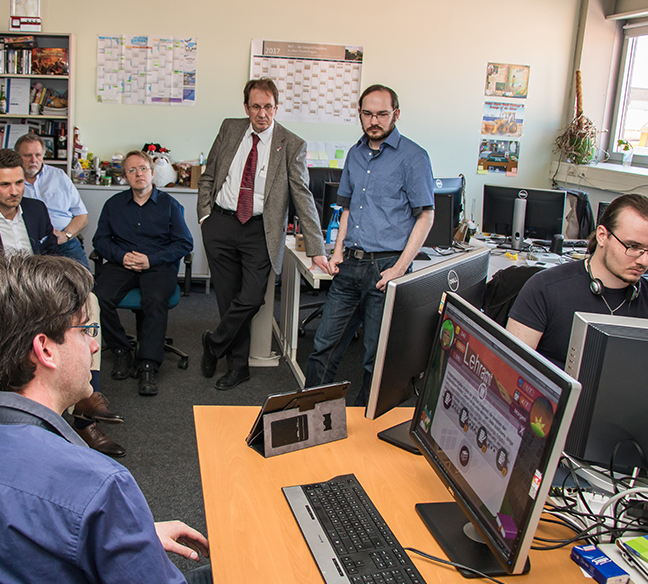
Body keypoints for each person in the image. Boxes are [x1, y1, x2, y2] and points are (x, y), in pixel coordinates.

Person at [0, 252, 214, 584]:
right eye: (86, 330)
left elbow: (7, 543)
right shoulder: (98, 485)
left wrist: (123, 539)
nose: (95, 345)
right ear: (45, 350)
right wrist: (112, 526)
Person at [0, 149, 126, 457]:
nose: (14, 191)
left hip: (42, 290)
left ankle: (87, 397)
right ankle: (73, 420)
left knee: (90, 301)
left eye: (19, 183)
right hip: (3, 299)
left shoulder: (35, 210)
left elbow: (53, 258)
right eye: (5, 185)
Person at [304, 84, 435, 406]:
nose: (374, 120)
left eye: (382, 114)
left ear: (396, 114)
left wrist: (399, 269)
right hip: (350, 265)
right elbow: (347, 208)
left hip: (386, 267)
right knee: (324, 346)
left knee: (375, 357)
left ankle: (363, 427)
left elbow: (426, 217)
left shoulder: (414, 157)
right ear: (360, 114)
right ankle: (306, 413)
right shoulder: (355, 154)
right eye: (367, 113)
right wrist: (336, 252)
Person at [198, 77, 328, 391]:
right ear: (246, 107)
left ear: (276, 107)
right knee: (229, 299)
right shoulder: (230, 128)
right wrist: (205, 215)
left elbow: (302, 196)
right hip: (221, 223)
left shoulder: (291, 144)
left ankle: (214, 343)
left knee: (251, 298)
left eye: (268, 106)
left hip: (259, 230)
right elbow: (210, 174)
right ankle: (238, 368)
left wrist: (317, 247)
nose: (262, 113)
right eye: (255, 106)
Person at [507, 193, 648, 366]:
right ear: (602, 235)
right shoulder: (545, 289)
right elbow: (510, 371)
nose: (644, 261)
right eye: (633, 247)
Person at [93, 151, 193, 396]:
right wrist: (121, 256)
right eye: (132, 170)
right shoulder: (113, 205)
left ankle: (148, 364)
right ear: (125, 177)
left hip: (157, 265)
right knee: (97, 298)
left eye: (143, 169)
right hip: (122, 263)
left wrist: (151, 260)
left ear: (152, 172)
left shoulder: (170, 205)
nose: (139, 174)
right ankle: (121, 350)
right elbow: (100, 240)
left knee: (155, 300)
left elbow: (184, 244)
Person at [15, 132, 90, 268]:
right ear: (17, 156)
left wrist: (65, 235)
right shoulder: (12, 182)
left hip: (63, 242)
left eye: (37, 155)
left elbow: (82, 216)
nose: (33, 160)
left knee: (83, 282)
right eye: (27, 156)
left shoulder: (59, 176)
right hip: (28, 246)